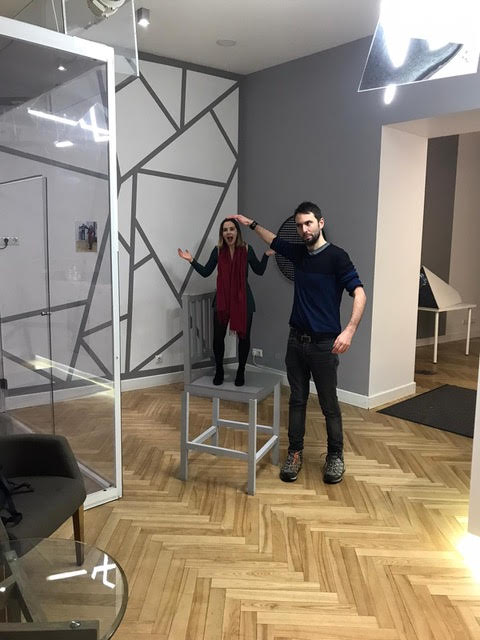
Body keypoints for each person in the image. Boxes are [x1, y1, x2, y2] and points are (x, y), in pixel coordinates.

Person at [232, 203, 366, 484]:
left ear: (320, 223)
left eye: (309, 223)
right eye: (300, 225)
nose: (304, 229)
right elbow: (273, 241)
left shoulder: (337, 257)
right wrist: (251, 224)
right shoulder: (299, 254)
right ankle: (294, 453)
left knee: (329, 404)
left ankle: (335, 455)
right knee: (296, 400)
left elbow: (359, 293)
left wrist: (350, 330)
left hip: (324, 345)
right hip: (296, 341)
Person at [178, 217, 274, 387]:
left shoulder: (247, 250)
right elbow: (206, 272)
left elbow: (259, 271)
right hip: (222, 300)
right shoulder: (217, 251)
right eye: (225, 229)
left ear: (237, 232)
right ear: (222, 234)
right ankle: (220, 370)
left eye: (231, 229)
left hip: (244, 300)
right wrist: (191, 260)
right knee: (217, 338)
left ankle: (241, 371)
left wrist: (265, 256)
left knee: (244, 338)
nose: (228, 232)